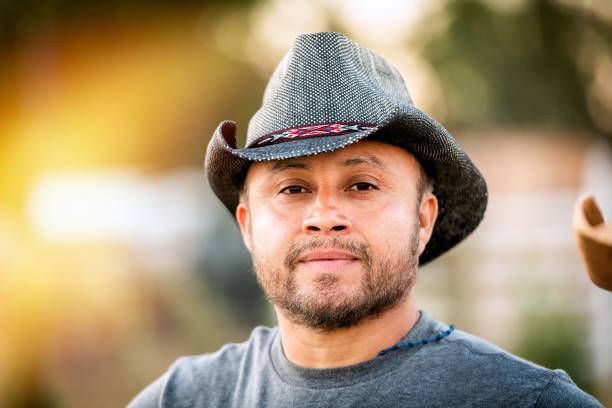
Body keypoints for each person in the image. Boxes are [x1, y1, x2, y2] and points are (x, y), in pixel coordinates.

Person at [128, 32, 602, 407]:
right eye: (293, 189)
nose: (324, 217)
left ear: (423, 220)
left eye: (362, 186)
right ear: (248, 225)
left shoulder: (525, 402)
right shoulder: (182, 399)